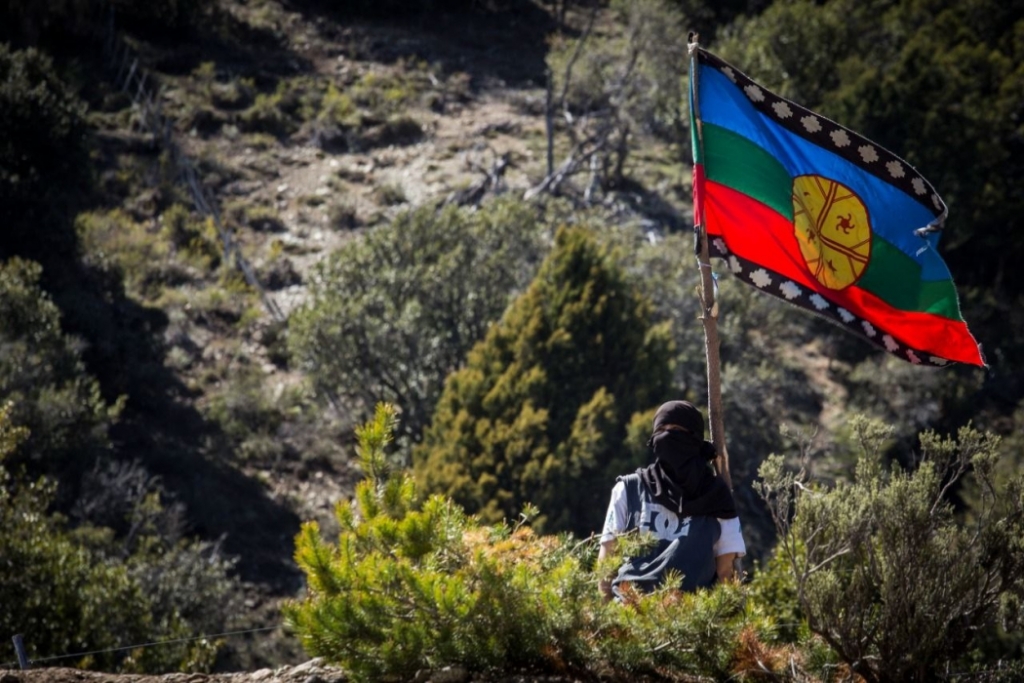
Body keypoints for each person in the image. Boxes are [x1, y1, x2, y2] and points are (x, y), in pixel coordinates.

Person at [598, 400, 745, 600]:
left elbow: (726, 572)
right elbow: (607, 560)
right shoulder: (628, 489)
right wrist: (605, 612)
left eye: (676, 430)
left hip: (691, 614)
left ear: (694, 438)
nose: (666, 436)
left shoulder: (717, 497)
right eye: (661, 430)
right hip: (630, 611)